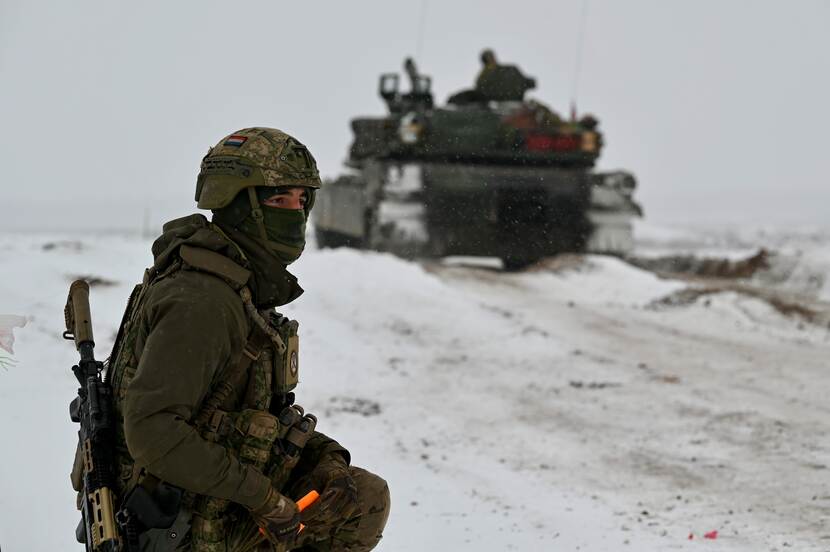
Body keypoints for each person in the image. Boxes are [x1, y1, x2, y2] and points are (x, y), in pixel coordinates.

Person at [101, 127, 390, 551]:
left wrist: (326, 459)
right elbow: (152, 431)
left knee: (355, 492)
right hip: (178, 522)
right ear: (237, 204)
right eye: (278, 199)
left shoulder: (240, 286)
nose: (295, 212)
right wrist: (266, 500)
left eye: (301, 199)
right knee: (363, 502)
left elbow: (261, 416)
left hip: (210, 495)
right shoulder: (204, 301)